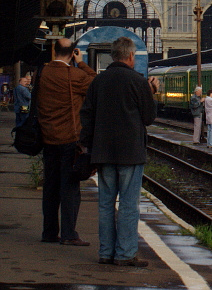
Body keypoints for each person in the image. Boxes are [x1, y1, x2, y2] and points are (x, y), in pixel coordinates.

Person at [79, 36, 158, 267]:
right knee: (127, 204)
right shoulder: (138, 81)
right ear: (131, 56)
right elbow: (148, 117)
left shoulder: (98, 82)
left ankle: (105, 253)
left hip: (103, 152)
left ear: (113, 56)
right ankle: (125, 254)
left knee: (105, 204)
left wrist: (88, 147)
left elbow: (87, 116)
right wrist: (151, 92)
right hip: (130, 153)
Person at [38, 39, 97, 245]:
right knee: (70, 188)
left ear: (54, 51)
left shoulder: (42, 73)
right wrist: (81, 62)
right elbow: (95, 81)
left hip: (47, 138)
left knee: (50, 187)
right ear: (72, 53)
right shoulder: (75, 75)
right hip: (70, 139)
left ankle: (49, 232)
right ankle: (69, 234)